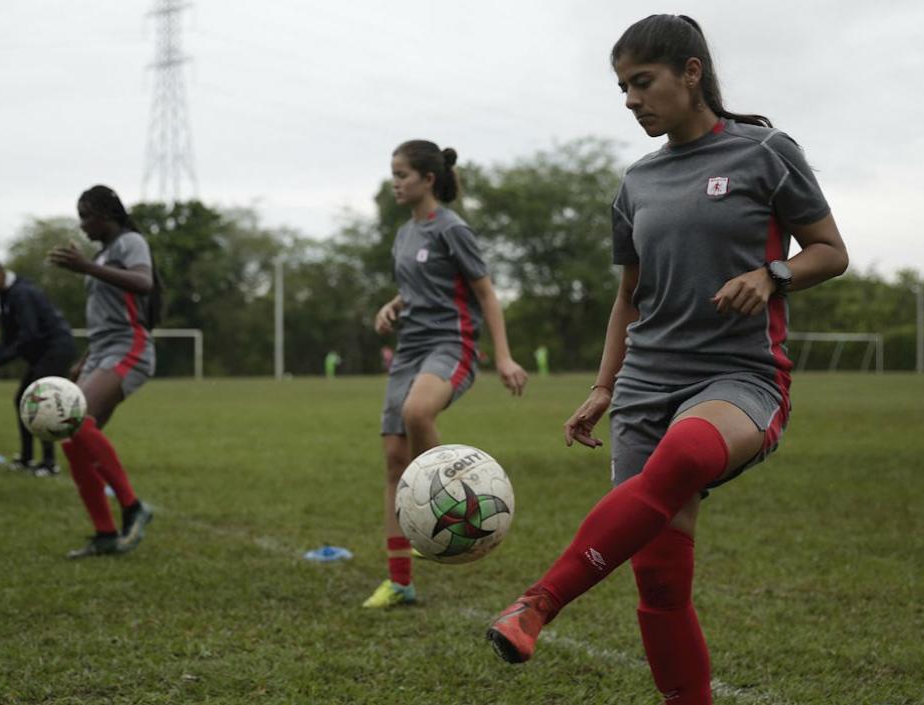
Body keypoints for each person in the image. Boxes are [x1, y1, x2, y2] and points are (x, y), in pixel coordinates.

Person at [484, 15, 850, 705]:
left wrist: (773, 274)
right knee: (658, 582)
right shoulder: (636, 183)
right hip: (646, 383)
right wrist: (603, 385)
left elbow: (831, 250)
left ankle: (537, 604)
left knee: (681, 455)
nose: (630, 100)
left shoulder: (766, 152)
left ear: (691, 72)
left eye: (641, 82)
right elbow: (629, 296)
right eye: (621, 88)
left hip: (739, 377)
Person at [364, 140, 529, 608]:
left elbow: (486, 294)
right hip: (410, 348)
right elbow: (414, 287)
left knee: (419, 412)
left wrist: (503, 357)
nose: (394, 182)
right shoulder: (404, 234)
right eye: (392, 173)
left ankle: (453, 505)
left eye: (402, 174)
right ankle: (400, 581)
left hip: (450, 344)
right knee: (395, 460)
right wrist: (392, 306)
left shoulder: (452, 229)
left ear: (428, 180)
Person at [47, 185, 156, 559]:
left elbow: (144, 283)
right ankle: (105, 533)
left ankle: (132, 507)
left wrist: (87, 267)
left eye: (86, 216)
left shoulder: (130, 243)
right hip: (102, 350)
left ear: (106, 214)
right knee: (70, 436)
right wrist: (87, 358)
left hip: (130, 346)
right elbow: (106, 313)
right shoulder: (104, 253)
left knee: (76, 421)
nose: (82, 225)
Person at [0, 256, 76, 477]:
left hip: (56, 349)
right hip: (42, 353)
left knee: (41, 402)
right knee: (23, 400)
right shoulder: (6, 296)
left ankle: (49, 463)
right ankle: (27, 458)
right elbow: (10, 337)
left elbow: (29, 335)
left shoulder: (22, 293)